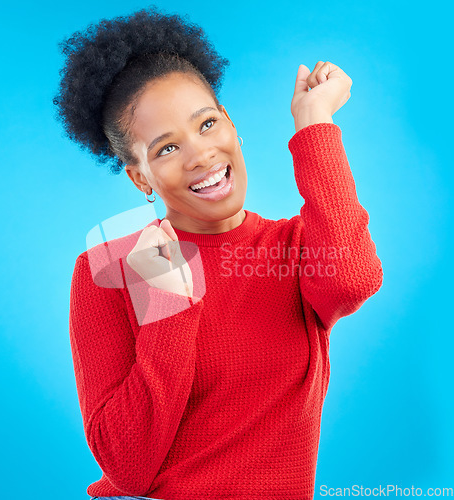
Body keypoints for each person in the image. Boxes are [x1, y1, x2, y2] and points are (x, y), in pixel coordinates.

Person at [54, 6, 383, 500]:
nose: (201, 154)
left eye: (207, 124)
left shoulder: (293, 249)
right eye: (166, 148)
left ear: (230, 123)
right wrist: (167, 306)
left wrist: (313, 122)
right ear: (140, 177)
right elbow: (126, 469)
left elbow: (352, 279)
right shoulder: (107, 270)